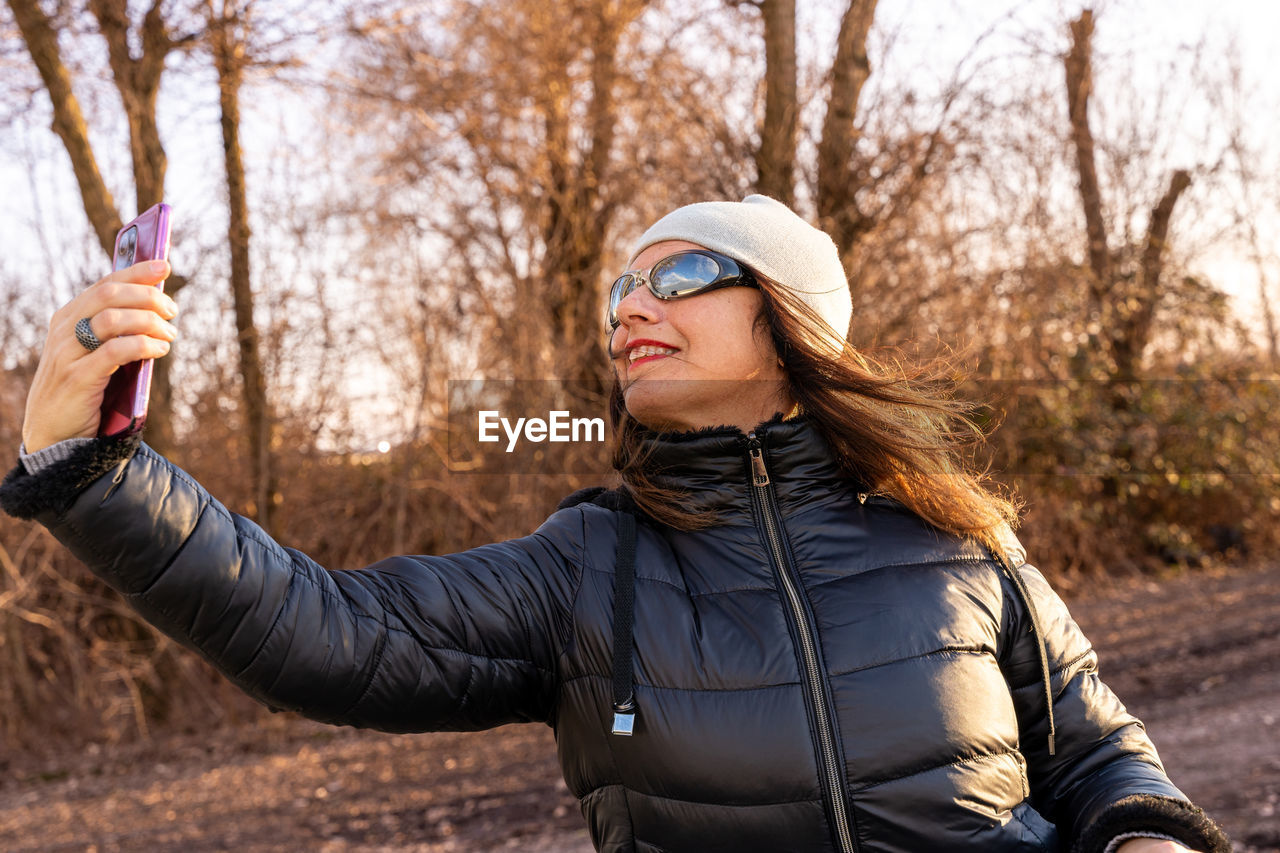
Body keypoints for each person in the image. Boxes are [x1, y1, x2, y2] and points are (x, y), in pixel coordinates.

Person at [2, 195, 1229, 852]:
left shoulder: (953, 537)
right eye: (619, 289)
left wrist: (1145, 839)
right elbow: (330, 631)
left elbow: (1092, 749)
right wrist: (90, 470)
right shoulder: (589, 563)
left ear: (792, 321)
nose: (630, 305)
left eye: (681, 274)